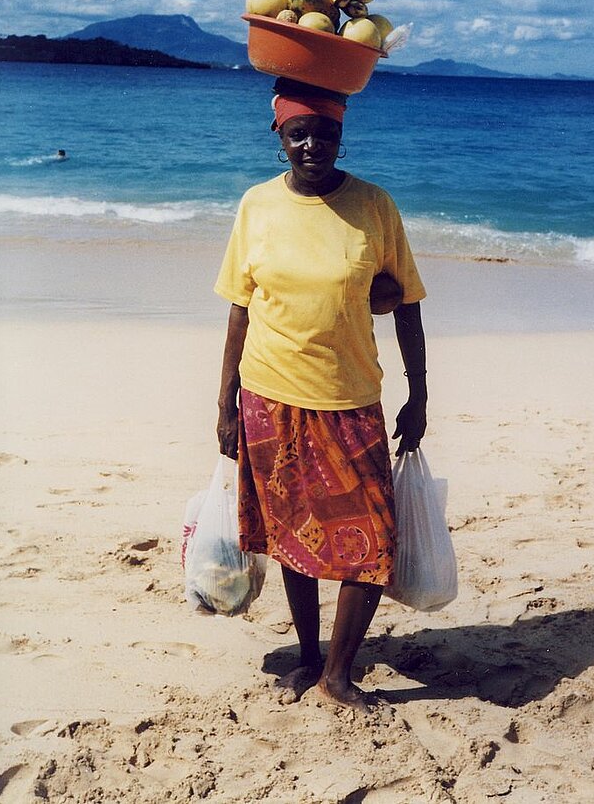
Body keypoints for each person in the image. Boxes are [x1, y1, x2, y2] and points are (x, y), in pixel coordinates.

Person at [214, 77, 428, 712]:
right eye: (298, 132)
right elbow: (239, 312)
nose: (313, 143)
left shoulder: (374, 206)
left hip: (350, 396)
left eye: (325, 131)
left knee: (372, 541)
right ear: (278, 137)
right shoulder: (255, 205)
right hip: (269, 395)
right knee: (293, 536)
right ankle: (310, 660)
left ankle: (340, 673)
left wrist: (419, 395)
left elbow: (405, 303)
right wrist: (224, 404)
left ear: (342, 135)